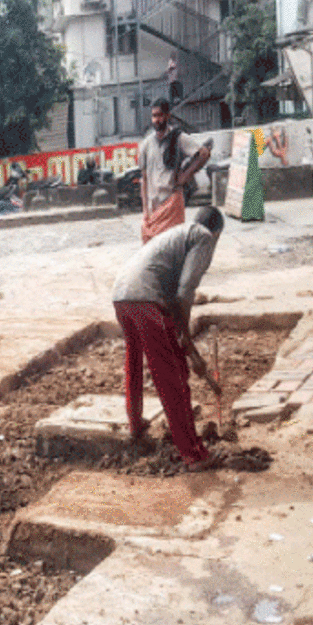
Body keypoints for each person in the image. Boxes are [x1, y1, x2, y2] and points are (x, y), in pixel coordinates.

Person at [111, 206, 226, 470]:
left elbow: (174, 301)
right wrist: (185, 336)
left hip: (121, 296)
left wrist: (188, 346)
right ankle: (193, 455)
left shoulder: (178, 234)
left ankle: (135, 424)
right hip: (146, 299)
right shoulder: (204, 237)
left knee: (135, 363)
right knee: (173, 377)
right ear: (217, 232)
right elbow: (184, 293)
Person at [139, 98, 211, 242]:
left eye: (159, 115)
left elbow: (204, 153)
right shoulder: (146, 144)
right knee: (151, 249)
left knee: (172, 247)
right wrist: (145, 210)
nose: (156, 120)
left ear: (167, 116)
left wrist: (186, 175)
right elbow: (144, 178)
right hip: (154, 208)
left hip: (172, 203)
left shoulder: (178, 138)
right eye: (154, 116)